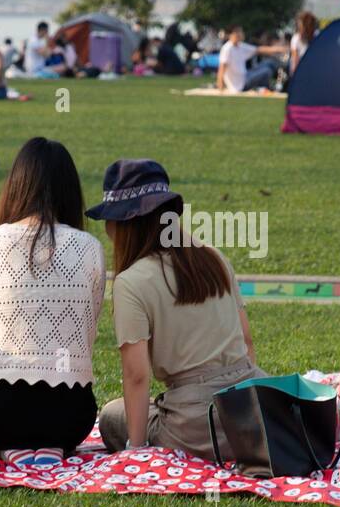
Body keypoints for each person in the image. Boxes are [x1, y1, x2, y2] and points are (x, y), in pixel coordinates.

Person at [89, 159, 265, 457]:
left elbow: (136, 375)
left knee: (110, 417)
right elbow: (246, 341)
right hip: (256, 410)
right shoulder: (213, 258)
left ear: (124, 223)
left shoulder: (132, 282)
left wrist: (137, 448)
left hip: (195, 423)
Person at [0, 138, 104, 465]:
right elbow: (90, 328)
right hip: (71, 416)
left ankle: (10, 449)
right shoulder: (89, 247)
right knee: (60, 415)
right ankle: (50, 447)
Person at [216, 25, 287, 92]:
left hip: (245, 75)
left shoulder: (240, 46)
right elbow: (222, 67)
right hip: (239, 84)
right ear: (232, 35)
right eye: (238, 32)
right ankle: (267, 87)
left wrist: (279, 49)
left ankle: (275, 82)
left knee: (268, 63)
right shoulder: (227, 49)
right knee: (267, 71)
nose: (241, 34)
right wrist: (220, 85)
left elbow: (259, 49)